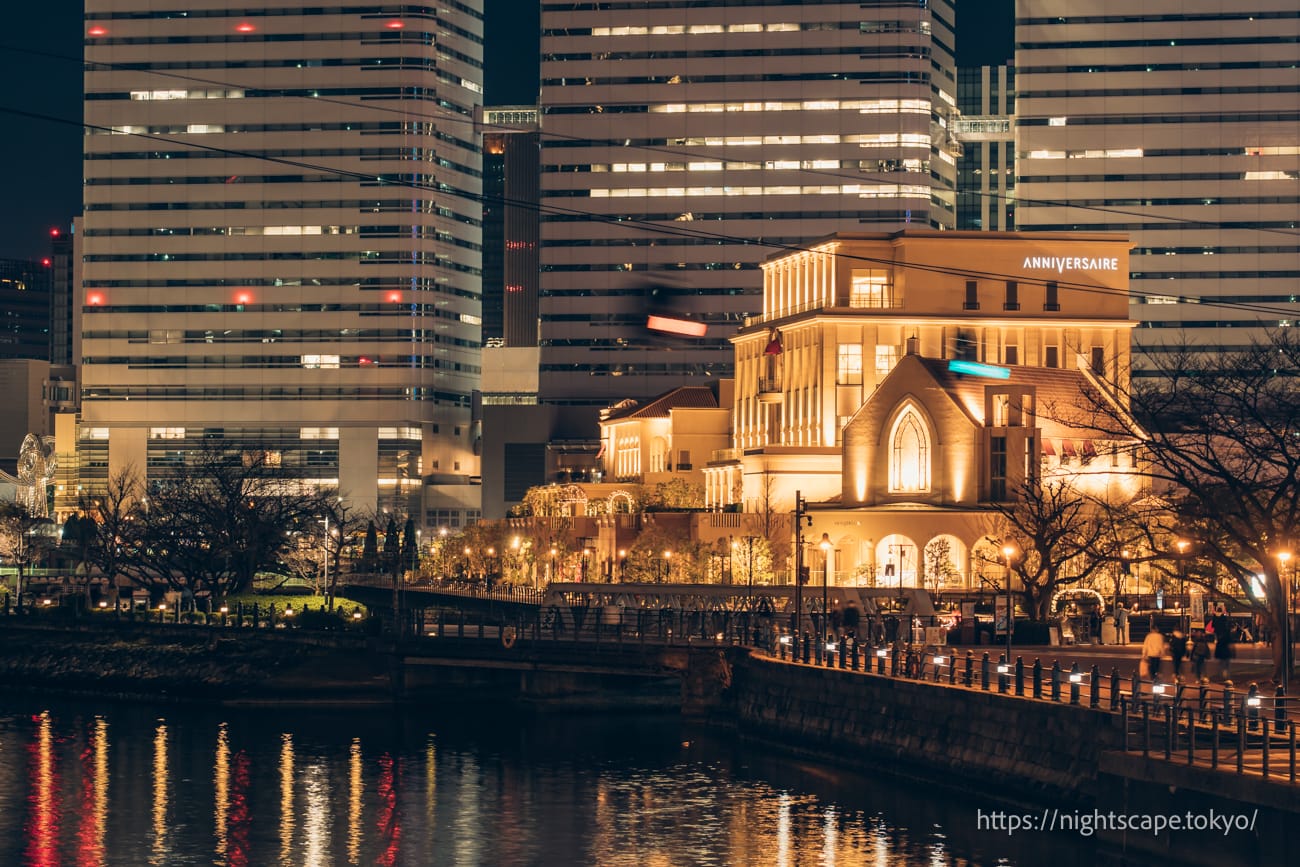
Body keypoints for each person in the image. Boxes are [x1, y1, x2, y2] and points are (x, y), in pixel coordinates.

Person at [1211, 605, 1234, 678]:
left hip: (1218, 632)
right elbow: (1226, 621)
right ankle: (1226, 673)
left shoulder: (1215, 616)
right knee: (1226, 662)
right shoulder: (1223, 617)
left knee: (1221, 662)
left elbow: (1213, 624)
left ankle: (1220, 673)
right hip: (1223, 633)